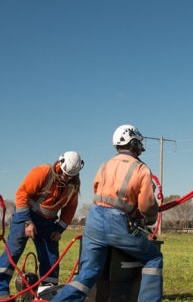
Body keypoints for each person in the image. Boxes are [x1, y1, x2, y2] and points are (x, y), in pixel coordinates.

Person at [51, 125, 162, 302]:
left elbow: (99, 191)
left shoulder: (105, 165)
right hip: (117, 222)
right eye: (138, 142)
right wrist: (149, 216)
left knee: (87, 274)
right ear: (133, 143)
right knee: (154, 257)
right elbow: (147, 206)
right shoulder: (141, 169)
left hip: (94, 219)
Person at [0, 151, 84, 298]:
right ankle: (1, 292)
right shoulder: (42, 172)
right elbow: (22, 194)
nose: (67, 178)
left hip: (48, 224)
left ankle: (47, 294)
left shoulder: (74, 184)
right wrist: (27, 222)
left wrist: (59, 230)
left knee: (51, 258)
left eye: (71, 176)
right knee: (13, 251)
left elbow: (69, 210)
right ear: (60, 165)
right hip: (26, 216)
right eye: (66, 174)